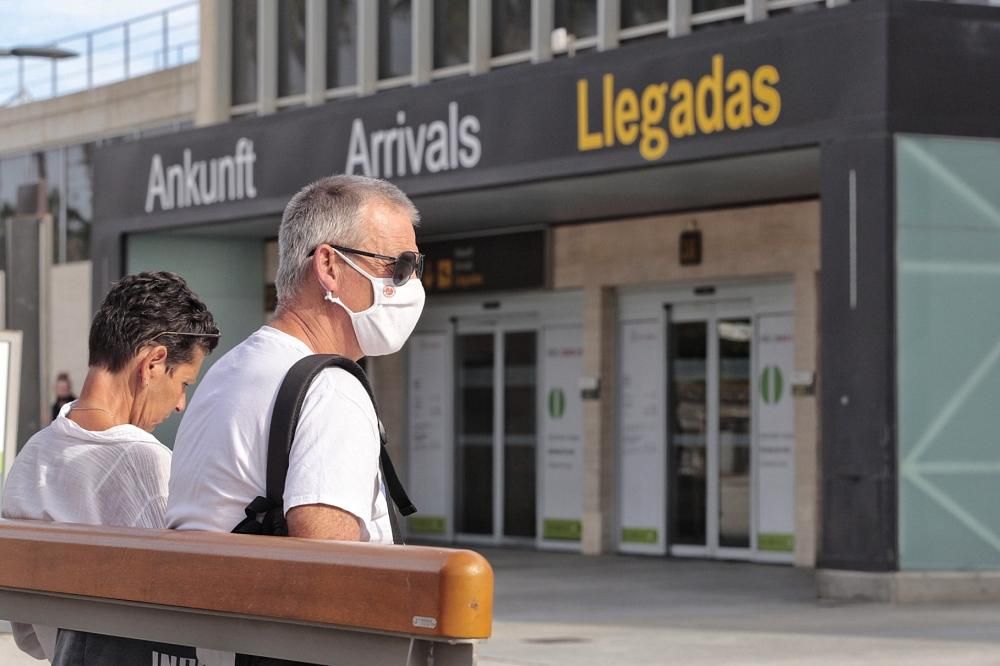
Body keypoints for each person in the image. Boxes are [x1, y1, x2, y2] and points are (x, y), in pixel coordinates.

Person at [168, 175, 424, 542]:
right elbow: (327, 575)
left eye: (416, 267)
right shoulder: (330, 389)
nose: (410, 285)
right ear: (329, 267)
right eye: (398, 266)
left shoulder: (228, 371)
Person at [1, 271, 220, 661]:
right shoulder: (145, 464)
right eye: (184, 383)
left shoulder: (32, 457)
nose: (180, 404)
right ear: (153, 363)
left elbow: (28, 638)